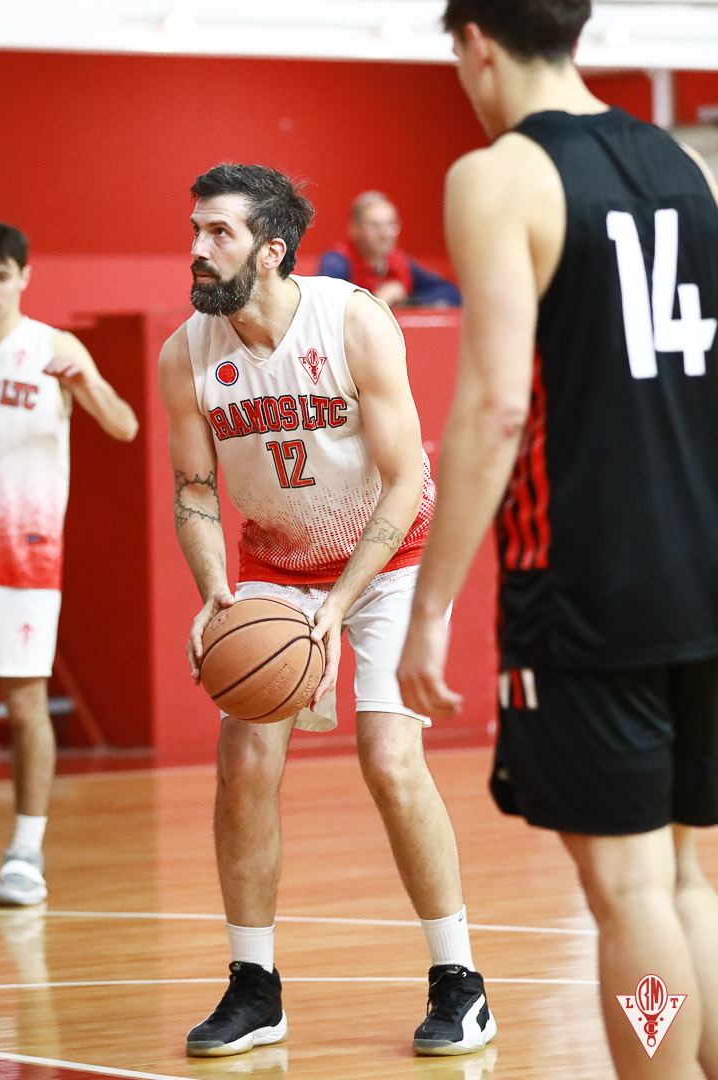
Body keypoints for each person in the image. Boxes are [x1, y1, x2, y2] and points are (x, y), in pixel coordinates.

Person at [397, 2, 718, 1079]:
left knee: (628, 893)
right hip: (707, 570)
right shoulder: (685, 166)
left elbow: (493, 409)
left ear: (475, 40)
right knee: (687, 879)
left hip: (591, 581)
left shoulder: (499, 175)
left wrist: (431, 606)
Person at [158, 163, 496, 1058]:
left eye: (218, 233)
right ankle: (254, 986)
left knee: (388, 757)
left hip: (392, 559)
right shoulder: (184, 352)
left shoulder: (351, 319)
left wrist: (339, 605)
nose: (197, 247)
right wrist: (216, 596)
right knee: (245, 761)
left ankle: (460, 983)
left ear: (271, 250)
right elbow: (195, 488)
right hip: (275, 560)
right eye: (194, 228)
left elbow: (408, 480)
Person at [0, 223, 139, 906]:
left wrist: (85, 380)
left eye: (1, 275)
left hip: (23, 553)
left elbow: (125, 425)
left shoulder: (51, 348)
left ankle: (25, 850)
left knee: (24, 703)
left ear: (23, 277)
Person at [318, 191, 461, 309]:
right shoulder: (337, 261)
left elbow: (451, 293)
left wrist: (409, 300)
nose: (385, 234)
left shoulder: (401, 261)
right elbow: (323, 305)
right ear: (354, 228)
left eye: (391, 225)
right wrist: (376, 300)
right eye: (374, 226)